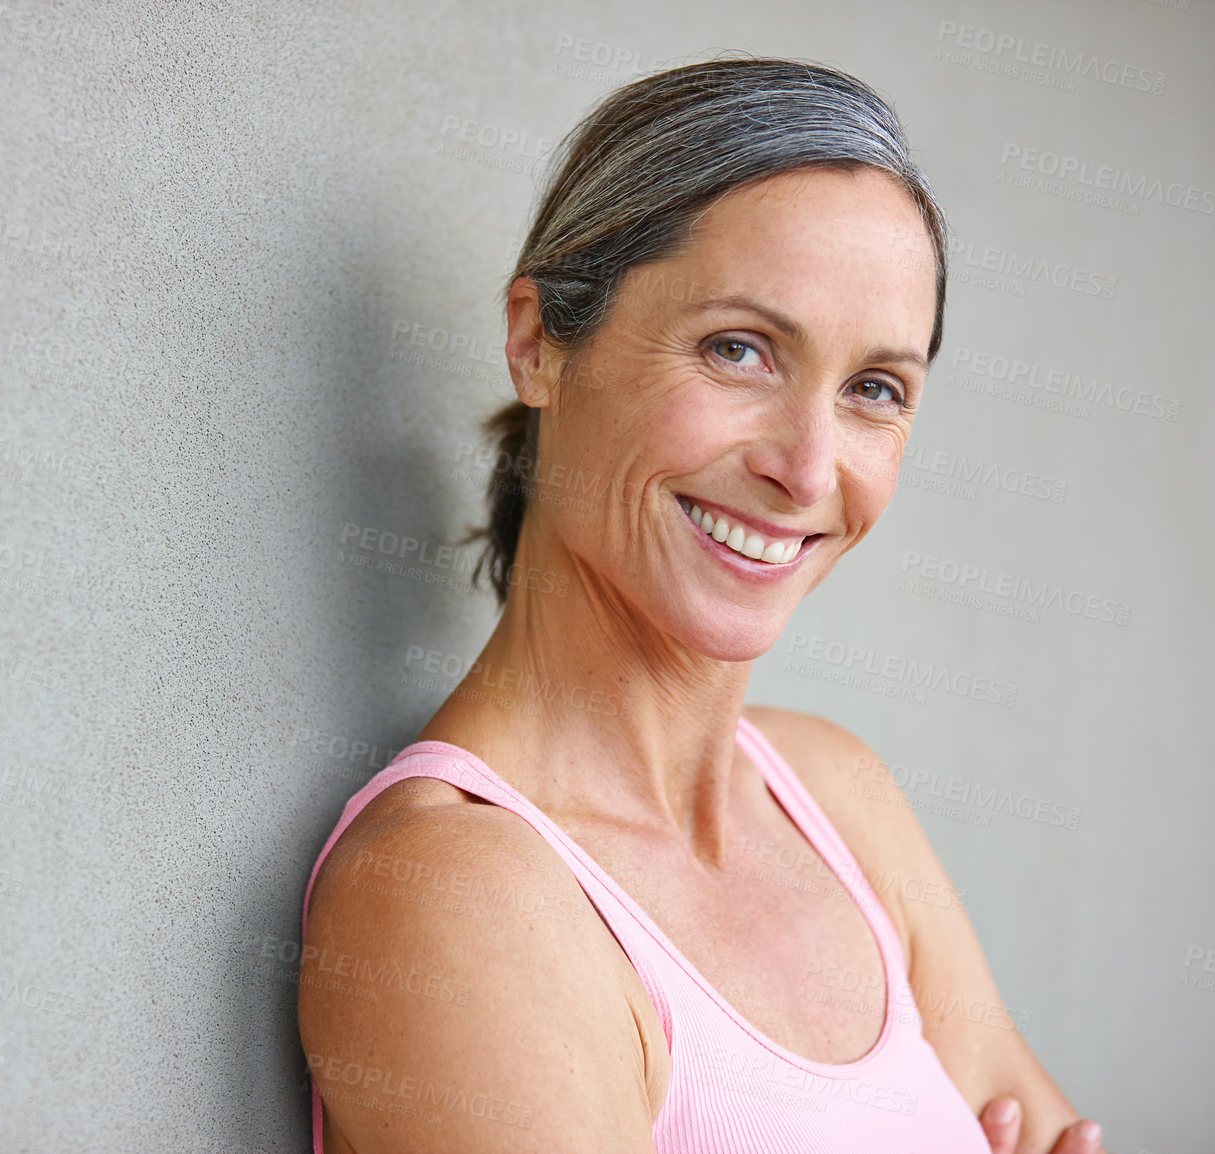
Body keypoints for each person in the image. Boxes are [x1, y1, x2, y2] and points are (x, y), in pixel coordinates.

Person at [299, 57, 1107, 1154]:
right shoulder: (457, 892)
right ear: (538, 341)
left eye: (875, 388)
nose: (808, 467)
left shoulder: (835, 796)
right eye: (738, 349)